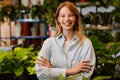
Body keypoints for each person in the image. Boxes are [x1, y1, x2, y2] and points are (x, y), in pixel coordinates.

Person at [35, 1, 96, 80]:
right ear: (58, 19)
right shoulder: (49, 43)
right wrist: (72, 71)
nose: (67, 19)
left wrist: (52, 71)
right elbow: (41, 73)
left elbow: (84, 77)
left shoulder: (86, 44)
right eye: (63, 16)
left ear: (76, 18)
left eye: (70, 15)